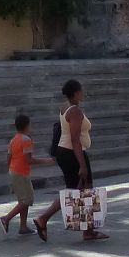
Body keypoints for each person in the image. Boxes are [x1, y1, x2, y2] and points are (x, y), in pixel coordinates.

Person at [34, 79, 108, 243]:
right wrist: (82, 165)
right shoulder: (75, 111)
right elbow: (75, 139)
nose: (84, 92)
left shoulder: (65, 107)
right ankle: (44, 219)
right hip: (73, 153)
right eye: (81, 90)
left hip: (65, 152)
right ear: (75, 93)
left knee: (76, 190)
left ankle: (86, 230)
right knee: (84, 189)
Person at [1, 112, 53, 235]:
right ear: (26, 126)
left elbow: (9, 157)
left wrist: (10, 169)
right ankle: (6, 219)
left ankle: (23, 227)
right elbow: (28, 160)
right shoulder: (26, 140)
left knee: (22, 200)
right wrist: (47, 161)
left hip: (14, 171)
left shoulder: (14, 140)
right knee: (27, 200)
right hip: (21, 173)